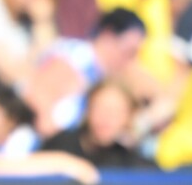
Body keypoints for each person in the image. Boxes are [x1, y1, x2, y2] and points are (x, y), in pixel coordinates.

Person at [24, 8, 146, 136]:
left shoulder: (98, 74)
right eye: (130, 52)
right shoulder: (75, 58)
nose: (131, 61)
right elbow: (36, 98)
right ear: (108, 35)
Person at [41, 81, 157, 169]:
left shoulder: (129, 162)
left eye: (115, 111)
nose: (106, 117)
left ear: (129, 117)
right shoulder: (60, 144)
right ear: (87, 110)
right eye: (99, 108)